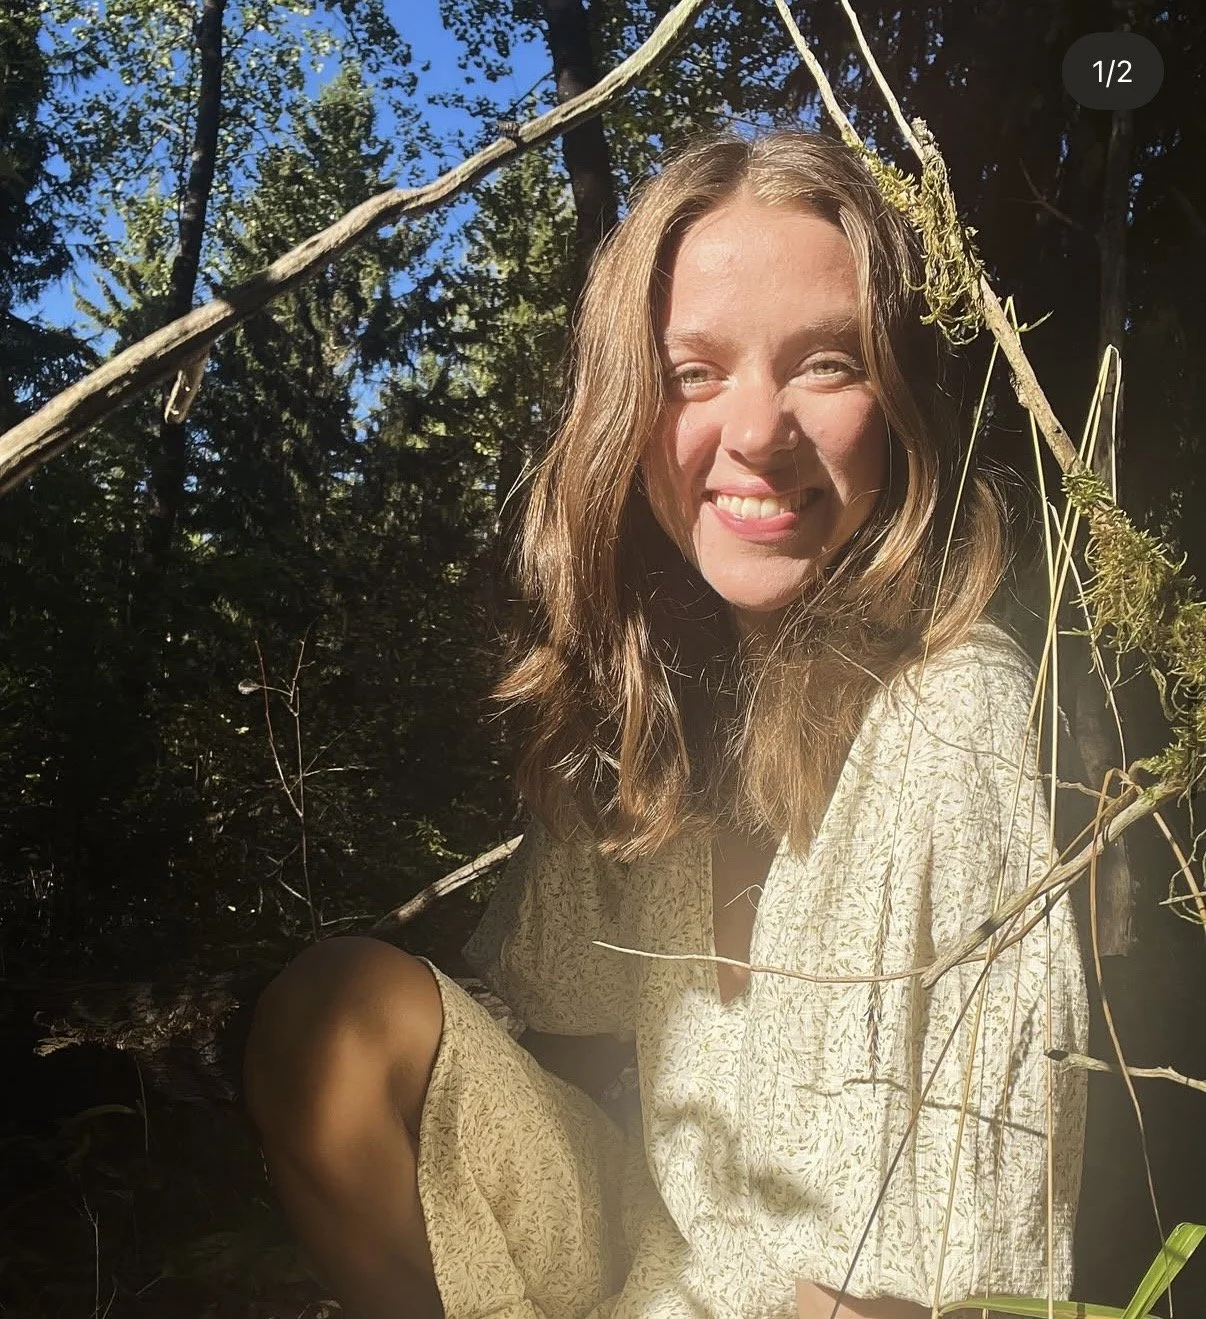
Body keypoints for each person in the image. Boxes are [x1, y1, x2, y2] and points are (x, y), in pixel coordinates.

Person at [244, 129, 1089, 1319]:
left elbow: (952, 1260)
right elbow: (555, 1041)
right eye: (695, 371)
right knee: (334, 1017)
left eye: (828, 362)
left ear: (900, 402)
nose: (758, 431)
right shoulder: (656, 701)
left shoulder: (952, 710)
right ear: (629, 414)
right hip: (657, 1268)